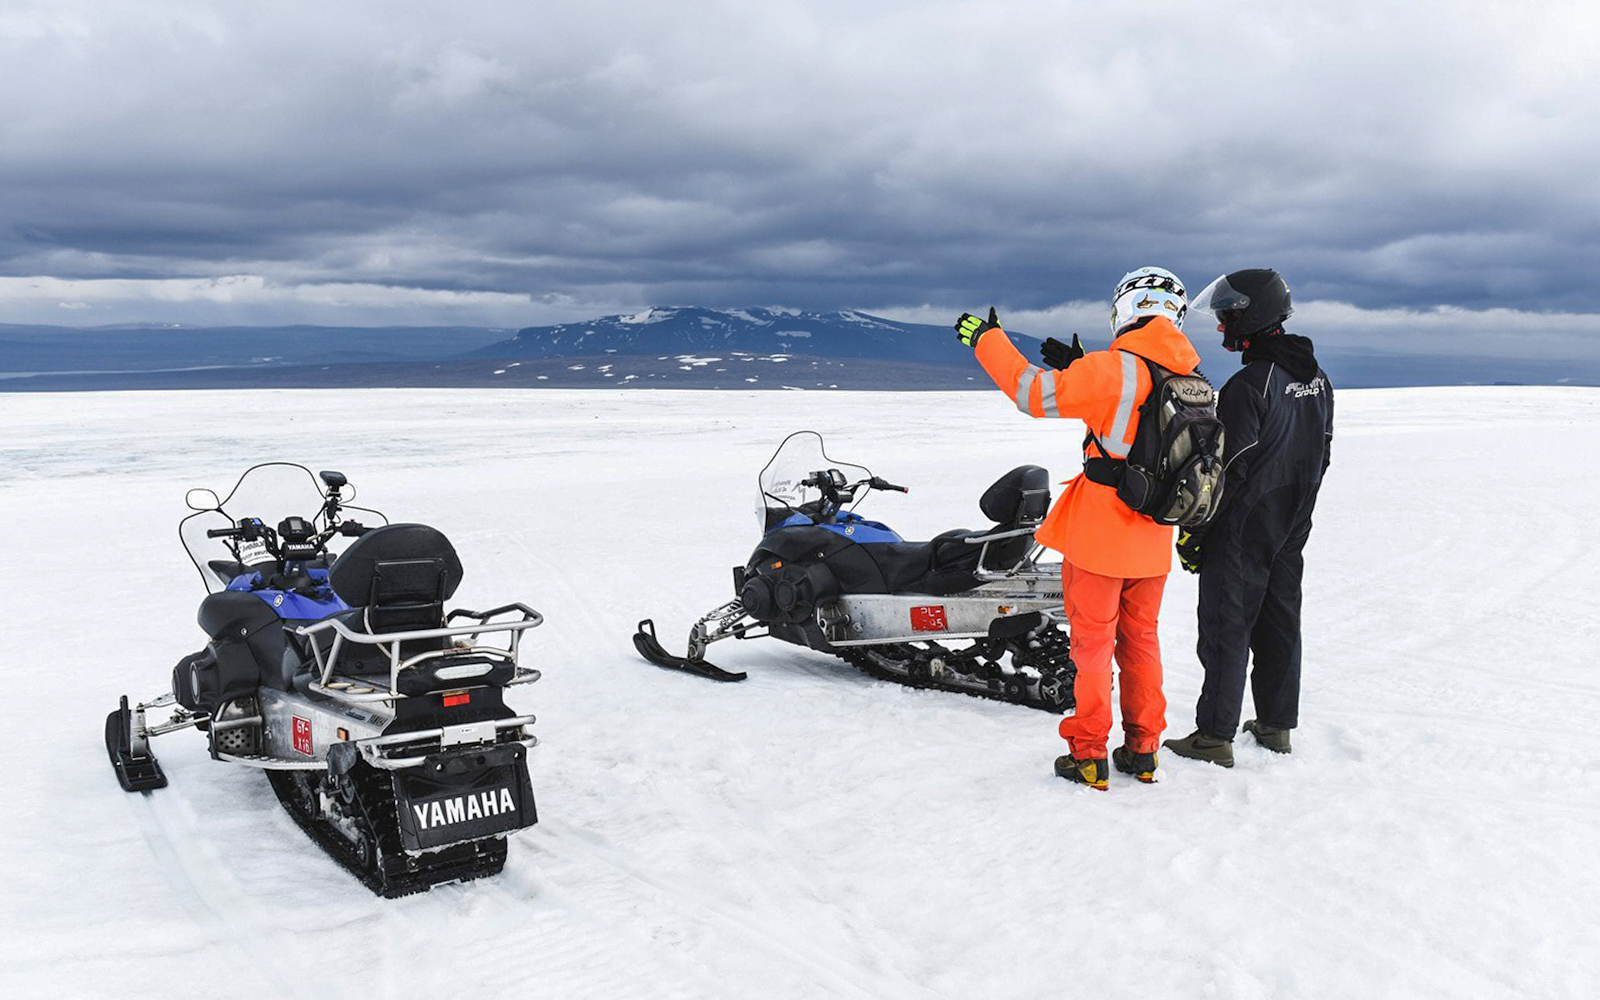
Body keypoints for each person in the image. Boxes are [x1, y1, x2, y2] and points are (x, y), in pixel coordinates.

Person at [955, 267, 1201, 789]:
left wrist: (987, 340)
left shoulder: (1114, 369)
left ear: (1126, 310)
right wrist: (1082, 366)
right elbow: (1136, 426)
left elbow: (1032, 393)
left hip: (1099, 538)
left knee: (1092, 650)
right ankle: (1144, 750)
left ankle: (1088, 754)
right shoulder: (1191, 377)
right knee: (1142, 645)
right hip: (1154, 538)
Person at [1163, 269, 1334, 768]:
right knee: (1281, 622)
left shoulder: (1248, 385)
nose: (1220, 328)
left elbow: (1225, 471)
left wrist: (1197, 534)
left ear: (1252, 314)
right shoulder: (1316, 379)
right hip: (1293, 518)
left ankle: (1214, 737)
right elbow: (1323, 451)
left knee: (1226, 626)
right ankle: (1276, 726)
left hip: (1243, 525)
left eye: (1226, 316)